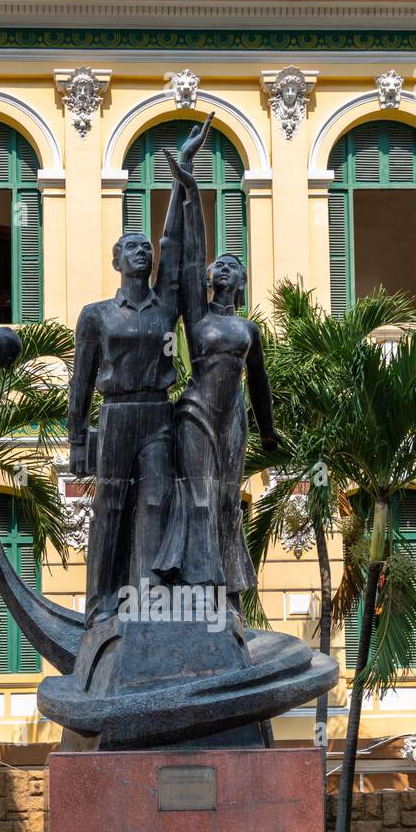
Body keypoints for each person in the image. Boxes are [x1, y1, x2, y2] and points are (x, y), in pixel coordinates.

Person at [67, 118, 214, 627]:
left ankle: (147, 591)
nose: (143, 250)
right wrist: (76, 442)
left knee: (154, 497)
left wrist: (183, 174)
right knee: (110, 504)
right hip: (115, 413)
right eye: (132, 246)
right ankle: (99, 601)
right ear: (115, 261)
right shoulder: (96, 315)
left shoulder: (163, 306)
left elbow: (173, 245)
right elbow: (80, 383)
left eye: (144, 247)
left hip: (157, 411)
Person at [153, 143, 279, 608]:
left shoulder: (247, 329)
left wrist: (268, 434)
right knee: (199, 496)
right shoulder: (198, 318)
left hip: (233, 421)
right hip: (196, 412)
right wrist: (190, 188)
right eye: (217, 265)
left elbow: (260, 386)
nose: (221, 267)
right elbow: (188, 256)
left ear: (241, 282)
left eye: (232, 265)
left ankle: (227, 588)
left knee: (227, 499)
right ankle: (196, 587)